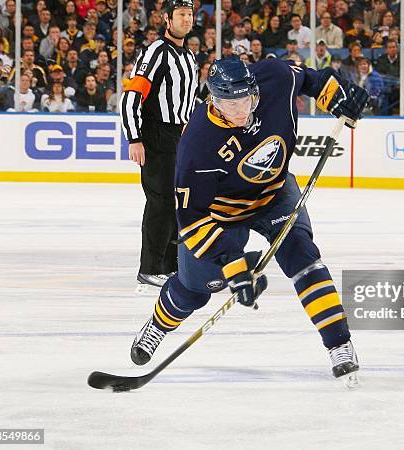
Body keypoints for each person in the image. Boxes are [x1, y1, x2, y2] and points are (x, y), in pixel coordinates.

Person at [129, 56, 369, 384]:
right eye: (230, 104)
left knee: (303, 257)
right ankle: (156, 326)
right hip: (221, 216)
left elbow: (313, 80)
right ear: (213, 99)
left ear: (255, 90)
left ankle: (339, 345)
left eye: (246, 100)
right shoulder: (197, 142)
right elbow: (192, 220)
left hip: (275, 193)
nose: (241, 111)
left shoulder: (276, 76)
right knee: (195, 289)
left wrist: (339, 96)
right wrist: (233, 264)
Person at [120, 0, 199, 292]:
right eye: (180, 14)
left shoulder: (189, 57)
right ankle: (150, 268)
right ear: (167, 18)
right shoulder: (156, 51)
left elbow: (191, 102)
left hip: (181, 137)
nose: (186, 19)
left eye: (189, 14)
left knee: (177, 202)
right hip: (155, 135)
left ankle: (172, 265)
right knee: (161, 202)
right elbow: (131, 95)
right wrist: (134, 137)